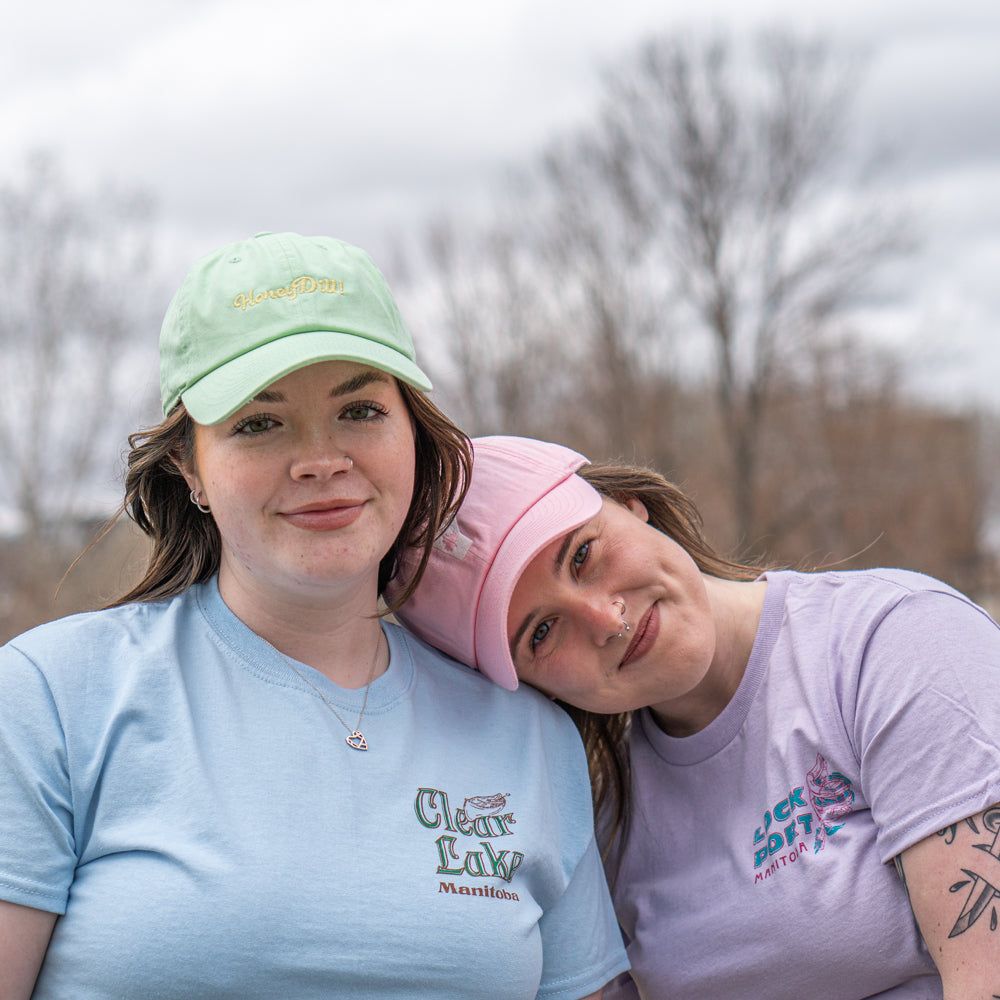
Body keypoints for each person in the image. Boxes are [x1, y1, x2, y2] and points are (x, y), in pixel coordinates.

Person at [0, 238, 628, 1000]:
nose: (320, 460)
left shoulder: (527, 737)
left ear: (416, 439)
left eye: (359, 410)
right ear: (190, 469)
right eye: (259, 424)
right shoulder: (51, 697)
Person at [393, 435, 1000, 999]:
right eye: (543, 633)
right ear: (532, 687)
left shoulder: (895, 642)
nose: (606, 620)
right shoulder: (603, 824)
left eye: (582, 555)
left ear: (629, 505)